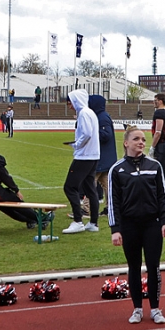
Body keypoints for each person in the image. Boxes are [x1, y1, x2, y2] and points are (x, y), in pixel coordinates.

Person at [108, 126, 165, 325]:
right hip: (129, 226)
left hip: (152, 224)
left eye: (143, 139)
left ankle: (155, 308)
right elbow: (113, 202)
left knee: (153, 266)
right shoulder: (117, 169)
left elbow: (163, 196)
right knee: (133, 267)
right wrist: (115, 229)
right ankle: (137, 308)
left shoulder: (155, 166)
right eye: (136, 139)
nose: (141, 142)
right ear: (126, 143)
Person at [63, 89, 101, 234]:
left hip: (84, 156)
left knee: (70, 187)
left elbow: (86, 134)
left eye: (70, 101)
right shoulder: (89, 113)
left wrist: (76, 144)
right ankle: (93, 222)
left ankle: (78, 220)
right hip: (93, 156)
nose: (69, 105)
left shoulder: (84, 113)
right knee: (90, 189)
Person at [89, 95, 117, 217]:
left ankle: (86, 209)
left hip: (101, 156)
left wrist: (90, 131)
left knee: (90, 181)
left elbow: (106, 135)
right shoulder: (101, 116)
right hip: (105, 156)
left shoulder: (102, 117)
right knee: (106, 184)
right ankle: (110, 207)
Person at [149, 93, 165, 196]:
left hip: (161, 144)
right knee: (163, 169)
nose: (154, 102)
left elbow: (158, 132)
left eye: (156, 100)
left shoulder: (159, 113)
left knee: (160, 170)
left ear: (160, 101)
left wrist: (152, 146)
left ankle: (164, 193)